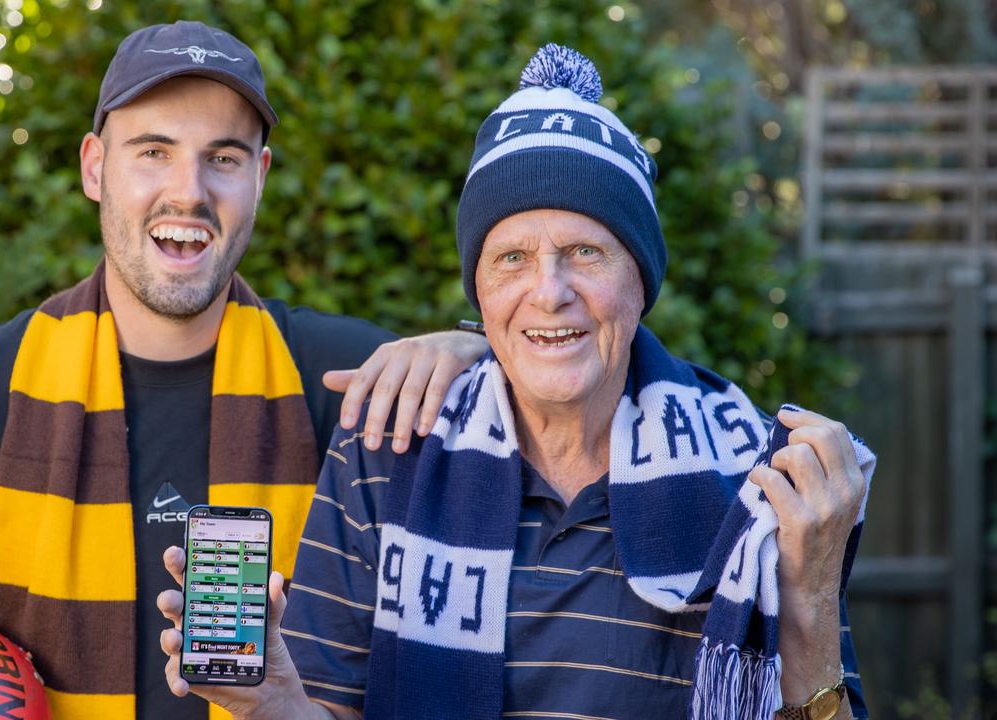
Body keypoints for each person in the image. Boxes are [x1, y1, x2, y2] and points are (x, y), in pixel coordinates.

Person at [0, 20, 489, 719]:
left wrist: (476, 354)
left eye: (224, 158)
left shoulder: (346, 386)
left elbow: (551, 399)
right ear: (94, 167)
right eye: (153, 151)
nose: (189, 192)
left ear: (260, 177)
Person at [154, 44, 875, 720]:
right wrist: (276, 703)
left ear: (640, 280)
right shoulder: (388, 448)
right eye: (510, 259)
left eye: (585, 251)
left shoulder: (757, 480)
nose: (548, 291)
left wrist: (809, 601)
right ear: (478, 292)